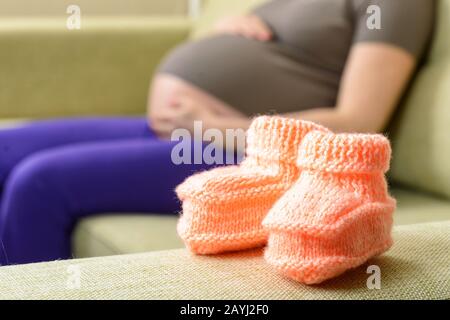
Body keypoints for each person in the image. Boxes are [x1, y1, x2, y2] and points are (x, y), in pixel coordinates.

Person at [0, 0, 435, 265]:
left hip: (245, 151)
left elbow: (359, 122)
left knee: (39, 183)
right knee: (5, 148)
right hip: (176, 132)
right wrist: (219, 38)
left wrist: (211, 128)